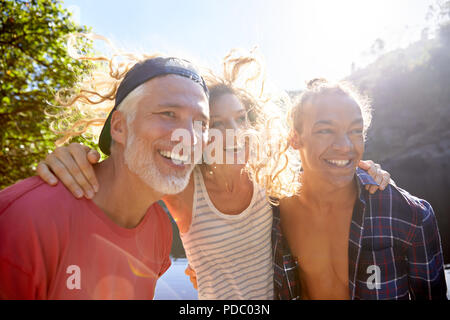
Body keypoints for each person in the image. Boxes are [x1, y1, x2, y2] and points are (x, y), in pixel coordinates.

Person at [36, 51, 393, 299]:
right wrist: (75, 158)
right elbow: (124, 176)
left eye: (241, 119)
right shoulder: (183, 187)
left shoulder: (270, 176)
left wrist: (365, 171)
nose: (234, 131)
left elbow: (326, 170)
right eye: (217, 124)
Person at [0, 55, 211, 299]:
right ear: (119, 127)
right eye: (168, 114)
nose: (190, 138)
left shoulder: (159, 230)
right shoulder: (25, 222)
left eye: (201, 124)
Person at [254, 78, 447, 299]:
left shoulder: (408, 216)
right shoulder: (273, 210)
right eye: (325, 131)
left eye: (355, 131)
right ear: (295, 139)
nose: (345, 146)